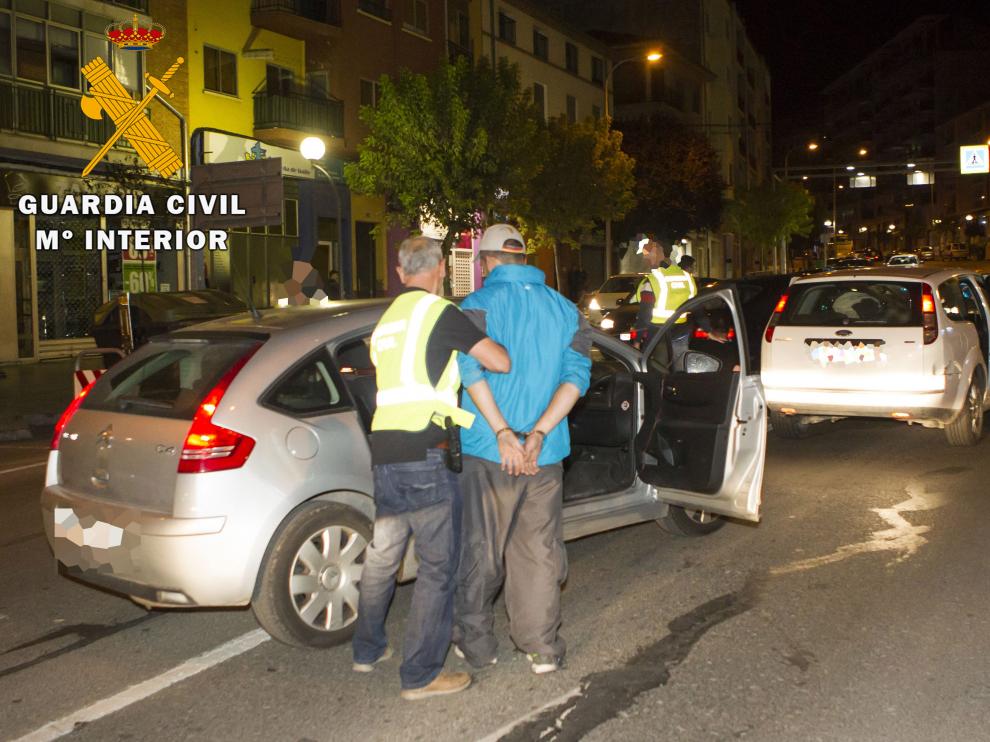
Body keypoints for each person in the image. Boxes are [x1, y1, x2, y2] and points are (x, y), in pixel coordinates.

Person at [352, 235, 510, 701]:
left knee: (383, 555)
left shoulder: (387, 321)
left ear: (401, 273)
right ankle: (420, 674)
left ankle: (367, 649)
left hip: (385, 452)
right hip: (426, 453)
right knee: (438, 567)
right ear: (441, 269)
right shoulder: (440, 313)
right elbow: (498, 360)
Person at [453, 223, 592, 675]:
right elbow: (576, 378)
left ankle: (477, 647)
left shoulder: (475, 306)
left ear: (488, 262)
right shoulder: (568, 310)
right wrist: (537, 434)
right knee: (537, 551)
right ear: (523, 258)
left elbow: (469, 372)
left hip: (489, 451)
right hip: (544, 455)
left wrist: (503, 433)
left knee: (481, 548)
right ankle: (540, 647)